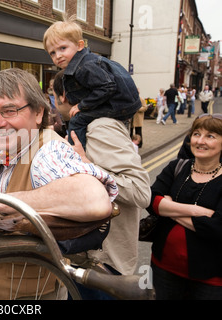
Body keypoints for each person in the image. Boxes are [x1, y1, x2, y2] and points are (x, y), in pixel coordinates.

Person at [0, 68, 118, 300]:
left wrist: (6, 203)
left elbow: (95, 200)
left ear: (38, 113)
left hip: (34, 293)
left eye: (9, 110)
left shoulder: (48, 151)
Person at [52, 70, 151, 299]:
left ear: (63, 96)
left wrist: (89, 167)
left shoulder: (100, 127)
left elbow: (140, 191)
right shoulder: (82, 125)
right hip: (86, 259)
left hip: (104, 265)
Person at [146, 113, 222, 299]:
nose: (200, 141)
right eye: (196, 134)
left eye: (210, 136)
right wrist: (195, 211)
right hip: (163, 268)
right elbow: (150, 200)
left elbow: (217, 228)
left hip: (210, 278)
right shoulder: (176, 167)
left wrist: (169, 208)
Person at [43, 15, 141, 150]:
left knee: (77, 120)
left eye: (62, 48)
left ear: (79, 45)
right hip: (122, 102)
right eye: (52, 53)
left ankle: (76, 152)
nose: (57, 55)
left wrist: (82, 106)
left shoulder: (85, 66)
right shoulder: (84, 63)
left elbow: (107, 87)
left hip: (120, 104)